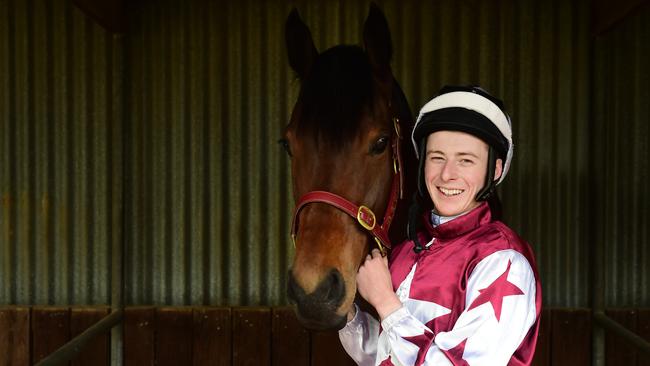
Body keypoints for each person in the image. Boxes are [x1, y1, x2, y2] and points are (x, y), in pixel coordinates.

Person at [339, 85, 542, 366]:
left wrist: (385, 301)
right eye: (437, 158)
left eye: (466, 160)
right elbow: (387, 356)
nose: (447, 174)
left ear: (494, 170)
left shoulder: (504, 262)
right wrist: (348, 317)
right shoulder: (407, 252)